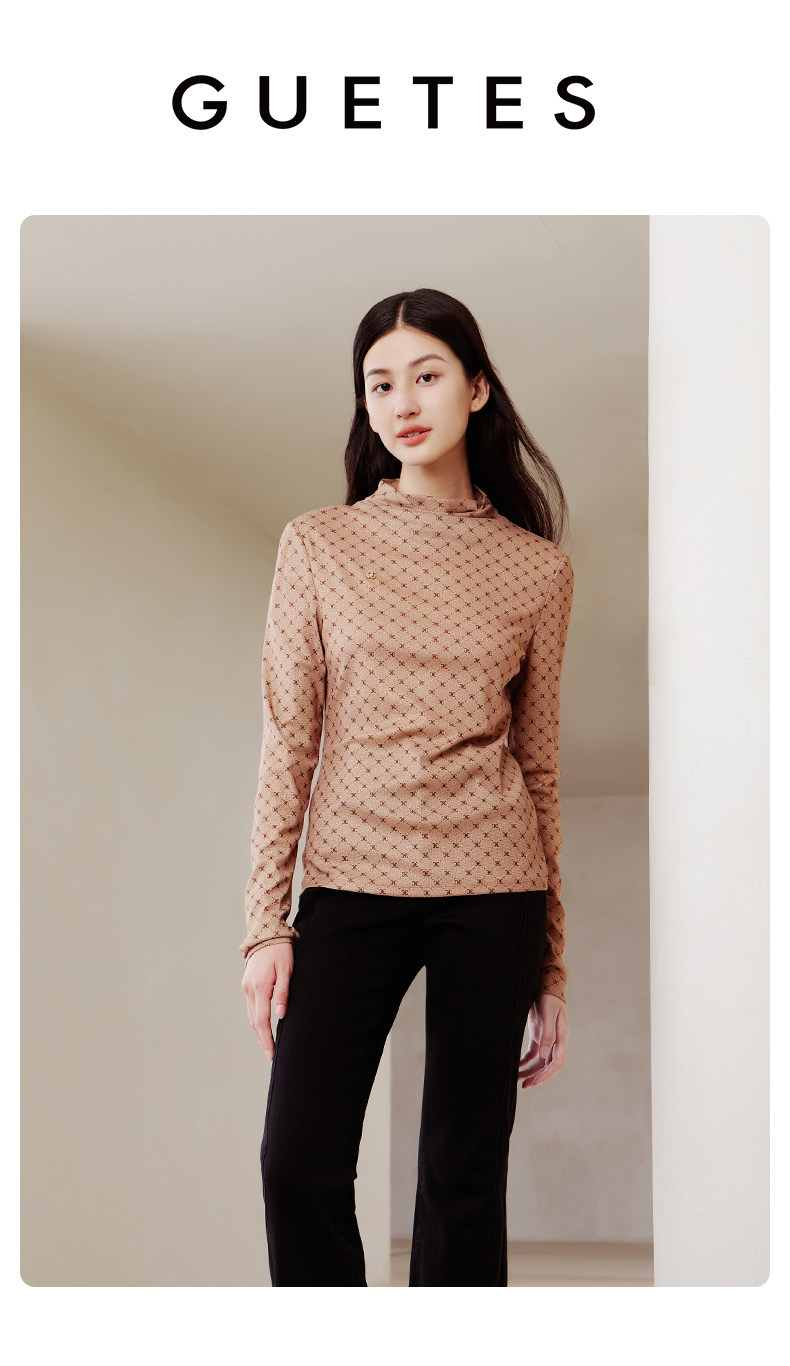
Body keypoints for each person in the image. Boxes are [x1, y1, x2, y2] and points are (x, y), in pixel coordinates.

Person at [240, 287, 574, 1287]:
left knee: (462, 1179)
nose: (402, 402)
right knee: (296, 1161)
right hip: (350, 878)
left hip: (495, 885)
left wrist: (553, 965)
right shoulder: (318, 544)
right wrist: (265, 925)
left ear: (477, 389)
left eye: (425, 375)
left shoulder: (538, 570)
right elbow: (288, 741)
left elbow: (539, 764)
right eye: (378, 385)